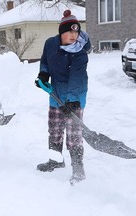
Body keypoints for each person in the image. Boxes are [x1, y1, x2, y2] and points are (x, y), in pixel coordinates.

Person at [35, 9, 91, 184]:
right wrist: (43, 74)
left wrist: (73, 101)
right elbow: (45, 60)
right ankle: (55, 160)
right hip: (56, 94)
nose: (74, 35)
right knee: (55, 129)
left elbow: (77, 77)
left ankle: (78, 169)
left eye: (77, 31)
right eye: (70, 31)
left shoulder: (79, 52)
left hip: (75, 96)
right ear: (61, 32)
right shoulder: (50, 44)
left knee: (74, 134)